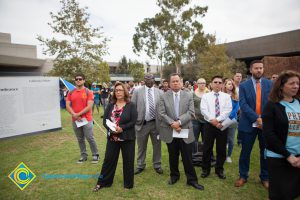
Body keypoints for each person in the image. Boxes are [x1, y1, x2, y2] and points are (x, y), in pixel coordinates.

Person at [158, 73, 204, 190]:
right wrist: (173, 124)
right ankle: (174, 176)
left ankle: (192, 180)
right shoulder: (163, 96)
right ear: (169, 83)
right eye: (173, 81)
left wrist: (178, 122)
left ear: (181, 82)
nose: (175, 83)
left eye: (177, 81)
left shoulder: (188, 95)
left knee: (187, 157)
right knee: (173, 155)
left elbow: (191, 112)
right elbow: (161, 113)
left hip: (185, 130)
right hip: (170, 130)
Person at [262, 70, 300, 200]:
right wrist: (288, 156)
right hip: (278, 157)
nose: (296, 86)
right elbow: (269, 134)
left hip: (298, 158)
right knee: (279, 194)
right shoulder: (271, 106)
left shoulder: (299, 103)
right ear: (282, 86)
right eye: (292, 83)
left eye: (297, 83)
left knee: (293, 192)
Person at [235, 60, 273, 189]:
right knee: (245, 152)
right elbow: (243, 104)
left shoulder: (270, 84)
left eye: (261, 68)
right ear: (251, 70)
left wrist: (264, 118)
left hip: (265, 124)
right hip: (248, 123)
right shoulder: (244, 86)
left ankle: (265, 177)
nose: (259, 70)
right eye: (256, 68)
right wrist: (257, 118)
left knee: (265, 152)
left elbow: (272, 103)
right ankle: (243, 176)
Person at [93, 82, 137, 191]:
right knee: (108, 160)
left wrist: (122, 128)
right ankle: (103, 182)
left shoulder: (131, 105)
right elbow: (105, 121)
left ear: (125, 91)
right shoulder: (110, 104)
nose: (118, 92)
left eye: (120, 90)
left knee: (128, 161)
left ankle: (128, 184)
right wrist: (111, 129)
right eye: (116, 90)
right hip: (113, 138)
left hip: (127, 137)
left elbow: (133, 121)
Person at [200, 76, 232, 179]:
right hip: (209, 125)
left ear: (222, 84)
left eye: (219, 82)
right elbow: (203, 110)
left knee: (221, 149)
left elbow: (228, 110)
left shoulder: (226, 97)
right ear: (211, 84)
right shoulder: (206, 96)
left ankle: (219, 170)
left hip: (221, 125)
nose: (217, 84)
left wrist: (218, 120)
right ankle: (205, 169)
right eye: (215, 82)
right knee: (207, 148)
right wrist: (213, 120)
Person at [131, 74, 163, 175]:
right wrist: (135, 121)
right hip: (142, 124)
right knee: (141, 146)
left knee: (157, 145)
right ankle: (140, 165)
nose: (149, 81)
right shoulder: (137, 91)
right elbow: (132, 107)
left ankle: (157, 164)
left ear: (154, 80)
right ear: (144, 80)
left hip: (156, 124)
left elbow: (162, 108)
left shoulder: (160, 92)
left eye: (151, 79)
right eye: (147, 79)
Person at [66, 73, 99, 164]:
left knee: (89, 137)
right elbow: (67, 105)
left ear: (84, 80)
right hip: (75, 120)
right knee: (80, 139)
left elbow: (89, 106)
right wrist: (74, 115)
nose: (78, 80)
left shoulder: (89, 92)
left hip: (87, 119)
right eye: (76, 79)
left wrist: (78, 114)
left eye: (80, 79)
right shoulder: (71, 92)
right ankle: (83, 156)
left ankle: (95, 154)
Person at [222, 79, 239, 163]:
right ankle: (222, 155)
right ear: (225, 85)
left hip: (232, 120)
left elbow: (236, 109)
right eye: (229, 84)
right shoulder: (221, 95)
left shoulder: (235, 96)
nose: (231, 85)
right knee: (222, 139)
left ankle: (228, 156)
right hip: (222, 120)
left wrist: (229, 117)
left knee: (231, 140)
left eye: (232, 84)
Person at [192, 78, 209, 151]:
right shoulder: (193, 93)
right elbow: (190, 105)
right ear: (197, 84)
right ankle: (193, 155)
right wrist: (192, 114)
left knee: (206, 139)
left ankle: (204, 155)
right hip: (195, 120)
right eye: (200, 83)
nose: (202, 84)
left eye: (204, 83)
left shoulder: (209, 93)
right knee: (194, 139)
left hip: (206, 120)